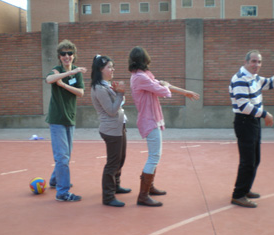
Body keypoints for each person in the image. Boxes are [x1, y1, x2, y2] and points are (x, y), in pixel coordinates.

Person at [229, 50, 274, 208]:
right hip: (244, 122)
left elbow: (271, 83)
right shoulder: (240, 79)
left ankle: (246, 188)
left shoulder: (254, 78)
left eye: (259, 62)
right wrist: (265, 114)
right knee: (248, 161)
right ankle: (238, 195)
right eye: (253, 61)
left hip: (253, 121)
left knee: (255, 159)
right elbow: (243, 105)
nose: (256, 65)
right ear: (246, 62)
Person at [128, 46, 200, 207]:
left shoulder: (143, 76)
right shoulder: (140, 77)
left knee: (155, 155)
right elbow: (162, 90)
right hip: (149, 120)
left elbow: (161, 84)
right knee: (154, 156)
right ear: (144, 61)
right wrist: (169, 87)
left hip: (152, 118)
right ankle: (143, 195)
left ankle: (149, 187)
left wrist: (184, 91)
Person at [45, 39, 87, 202]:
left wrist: (63, 85)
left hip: (70, 118)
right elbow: (49, 80)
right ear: (59, 56)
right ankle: (62, 192)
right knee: (62, 157)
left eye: (70, 53)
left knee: (66, 156)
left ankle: (55, 180)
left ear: (74, 55)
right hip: (57, 119)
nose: (67, 56)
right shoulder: (56, 71)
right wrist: (67, 74)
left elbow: (81, 93)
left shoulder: (76, 72)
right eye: (63, 54)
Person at [91, 55, 132, 207]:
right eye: (109, 67)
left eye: (112, 66)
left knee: (120, 159)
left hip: (119, 126)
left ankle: (116, 186)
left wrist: (118, 92)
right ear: (100, 69)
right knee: (112, 163)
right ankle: (108, 197)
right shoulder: (99, 88)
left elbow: (119, 103)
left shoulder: (106, 85)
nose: (112, 69)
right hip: (111, 129)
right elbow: (112, 110)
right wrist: (120, 93)